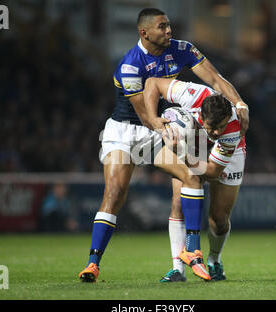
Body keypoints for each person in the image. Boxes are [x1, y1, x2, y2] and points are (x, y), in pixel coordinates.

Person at [79, 7, 249, 282]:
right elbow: (144, 114)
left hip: (162, 128)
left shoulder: (181, 49)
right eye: (162, 27)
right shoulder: (130, 66)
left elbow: (216, 79)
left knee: (190, 179)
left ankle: (191, 253)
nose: (169, 30)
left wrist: (240, 103)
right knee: (116, 193)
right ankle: (93, 263)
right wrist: (162, 127)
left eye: (168, 25)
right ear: (144, 32)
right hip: (126, 131)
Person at [143, 77, 247, 282]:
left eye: (221, 126)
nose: (217, 132)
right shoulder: (193, 94)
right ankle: (177, 269)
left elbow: (212, 172)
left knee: (219, 219)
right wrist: (153, 118)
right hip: (192, 143)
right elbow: (152, 83)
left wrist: (181, 153)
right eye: (213, 127)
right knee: (178, 202)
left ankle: (214, 260)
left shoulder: (231, 129)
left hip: (226, 155)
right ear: (201, 115)